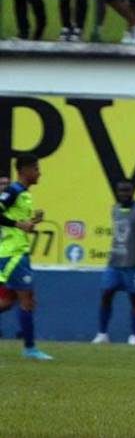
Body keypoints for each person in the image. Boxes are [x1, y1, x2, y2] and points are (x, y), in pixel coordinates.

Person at [0, 154, 50, 361]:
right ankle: (30, 348)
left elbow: (17, 221)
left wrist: (31, 221)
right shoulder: (13, 190)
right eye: (36, 169)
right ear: (25, 171)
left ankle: (30, 347)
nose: (39, 173)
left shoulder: (24, 194)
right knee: (27, 300)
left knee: (7, 302)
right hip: (13, 254)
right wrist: (20, 225)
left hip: (18, 253)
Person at [92, 179, 135, 346]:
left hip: (132, 263)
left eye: (127, 191)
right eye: (121, 191)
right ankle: (102, 334)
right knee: (106, 295)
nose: (124, 194)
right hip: (114, 263)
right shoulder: (114, 209)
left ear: (132, 191)